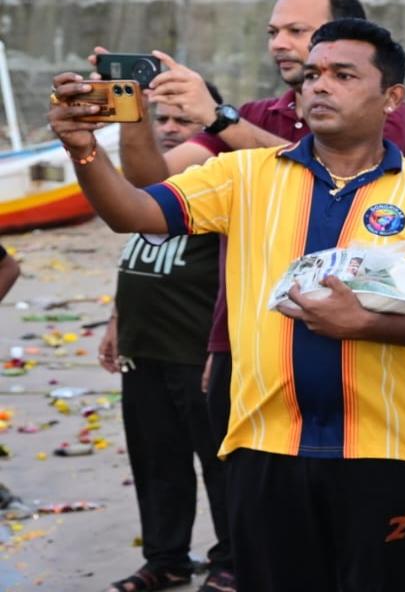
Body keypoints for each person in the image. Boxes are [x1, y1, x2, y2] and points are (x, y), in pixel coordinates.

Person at [49, 19, 405, 591]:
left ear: (391, 97)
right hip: (262, 450)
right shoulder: (241, 175)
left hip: (390, 454)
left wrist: (362, 323)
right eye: (313, 74)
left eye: (343, 75)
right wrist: (83, 153)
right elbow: (132, 212)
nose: (320, 86)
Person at [97, 0, 405, 470]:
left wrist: (219, 119)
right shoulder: (255, 114)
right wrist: (133, 110)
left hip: (354, 344)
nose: (279, 44)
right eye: (273, 32)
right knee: (248, 513)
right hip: (244, 345)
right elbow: (152, 183)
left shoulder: (383, 117)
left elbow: (336, 172)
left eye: (296, 31)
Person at [100, 89, 235, 592]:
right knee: (157, 463)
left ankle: (232, 561)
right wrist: (117, 321)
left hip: (196, 353)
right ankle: (165, 558)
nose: (172, 127)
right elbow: (138, 256)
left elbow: (234, 276)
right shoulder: (151, 192)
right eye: (163, 118)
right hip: (144, 349)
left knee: (219, 466)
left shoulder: (220, 186)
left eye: (185, 118)